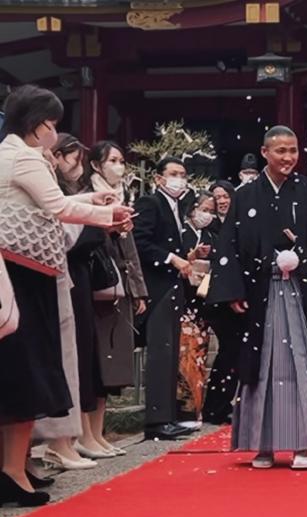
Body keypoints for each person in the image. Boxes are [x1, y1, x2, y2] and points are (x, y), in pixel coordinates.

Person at [0, 85, 131, 506]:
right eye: (52, 124)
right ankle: (14, 470)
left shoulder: (8, 154)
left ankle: (17, 467)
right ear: (36, 123)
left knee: (18, 373)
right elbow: (57, 207)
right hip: (26, 275)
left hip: (17, 271)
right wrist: (108, 213)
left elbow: (50, 202)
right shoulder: (24, 156)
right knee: (28, 373)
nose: (54, 132)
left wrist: (91, 199)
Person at [208, 125, 307, 470]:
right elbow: (227, 244)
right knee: (262, 368)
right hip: (261, 293)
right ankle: (263, 445)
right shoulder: (245, 196)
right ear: (265, 152)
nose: (288, 158)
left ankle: (303, 444)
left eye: (293, 151)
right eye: (280, 151)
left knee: (302, 363)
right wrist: (233, 290)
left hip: (300, 292)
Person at [33, 134, 102, 472]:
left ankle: (68, 440)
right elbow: (61, 220)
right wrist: (96, 212)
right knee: (55, 361)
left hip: (62, 274)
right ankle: (56, 443)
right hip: (44, 272)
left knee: (71, 361)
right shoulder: (28, 171)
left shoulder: (57, 187)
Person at [86, 140, 149, 454]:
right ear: (96, 165)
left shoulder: (124, 195)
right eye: (112, 160)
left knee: (111, 364)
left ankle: (98, 433)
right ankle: (86, 434)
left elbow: (131, 249)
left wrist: (139, 289)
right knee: (95, 361)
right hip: (97, 280)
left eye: (122, 160)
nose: (119, 165)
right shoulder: (88, 195)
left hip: (120, 281)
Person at [133, 156, 194, 441]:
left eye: (183, 173)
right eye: (173, 173)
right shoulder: (150, 203)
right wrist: (172, 259)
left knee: (170, 352)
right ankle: (157, 419)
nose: (179, 178)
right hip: (157, 285)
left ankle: (168, 415)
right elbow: (141, 241)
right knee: (160, 352)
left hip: (172, 284)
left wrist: (187, 257)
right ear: (159, 178)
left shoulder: (177, 206)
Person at [202, 181, 242, 425]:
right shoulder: (210, 226)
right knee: (230, 351)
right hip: (217, 296)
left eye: (225, 196)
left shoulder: (238, 222)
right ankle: (215, 407)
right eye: (217, 197)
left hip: (233, 293)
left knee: (233, 352)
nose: (222, 201)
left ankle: (222, 404)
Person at [176, 191, 217, 426]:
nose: (207, 214)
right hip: (185, 299)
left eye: (211, 211)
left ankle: (197, 409)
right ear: (192, 209)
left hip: (202, 298)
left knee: (199, 357)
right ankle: (184, 411)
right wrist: (190, 257)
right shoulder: (182, 232)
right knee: (185, 357)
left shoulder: (209, 234)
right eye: (204, 209)